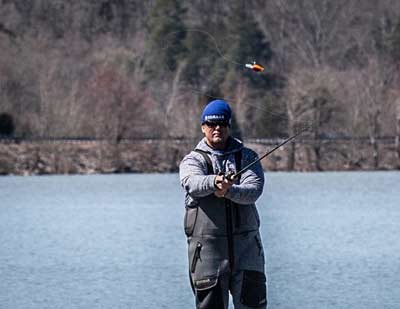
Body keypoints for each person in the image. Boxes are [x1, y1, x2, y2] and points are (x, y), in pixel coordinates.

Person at [179, 100, 267, 308]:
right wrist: (215, 181)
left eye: (222, 124)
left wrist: (229, 190)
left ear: (228, 126)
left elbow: (253, 190)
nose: (216, 128)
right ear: (203, 128)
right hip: (207, 255)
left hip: (248, 253)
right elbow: (191, 183)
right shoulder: (192, 160)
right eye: (211, 124)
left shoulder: (247, 157)